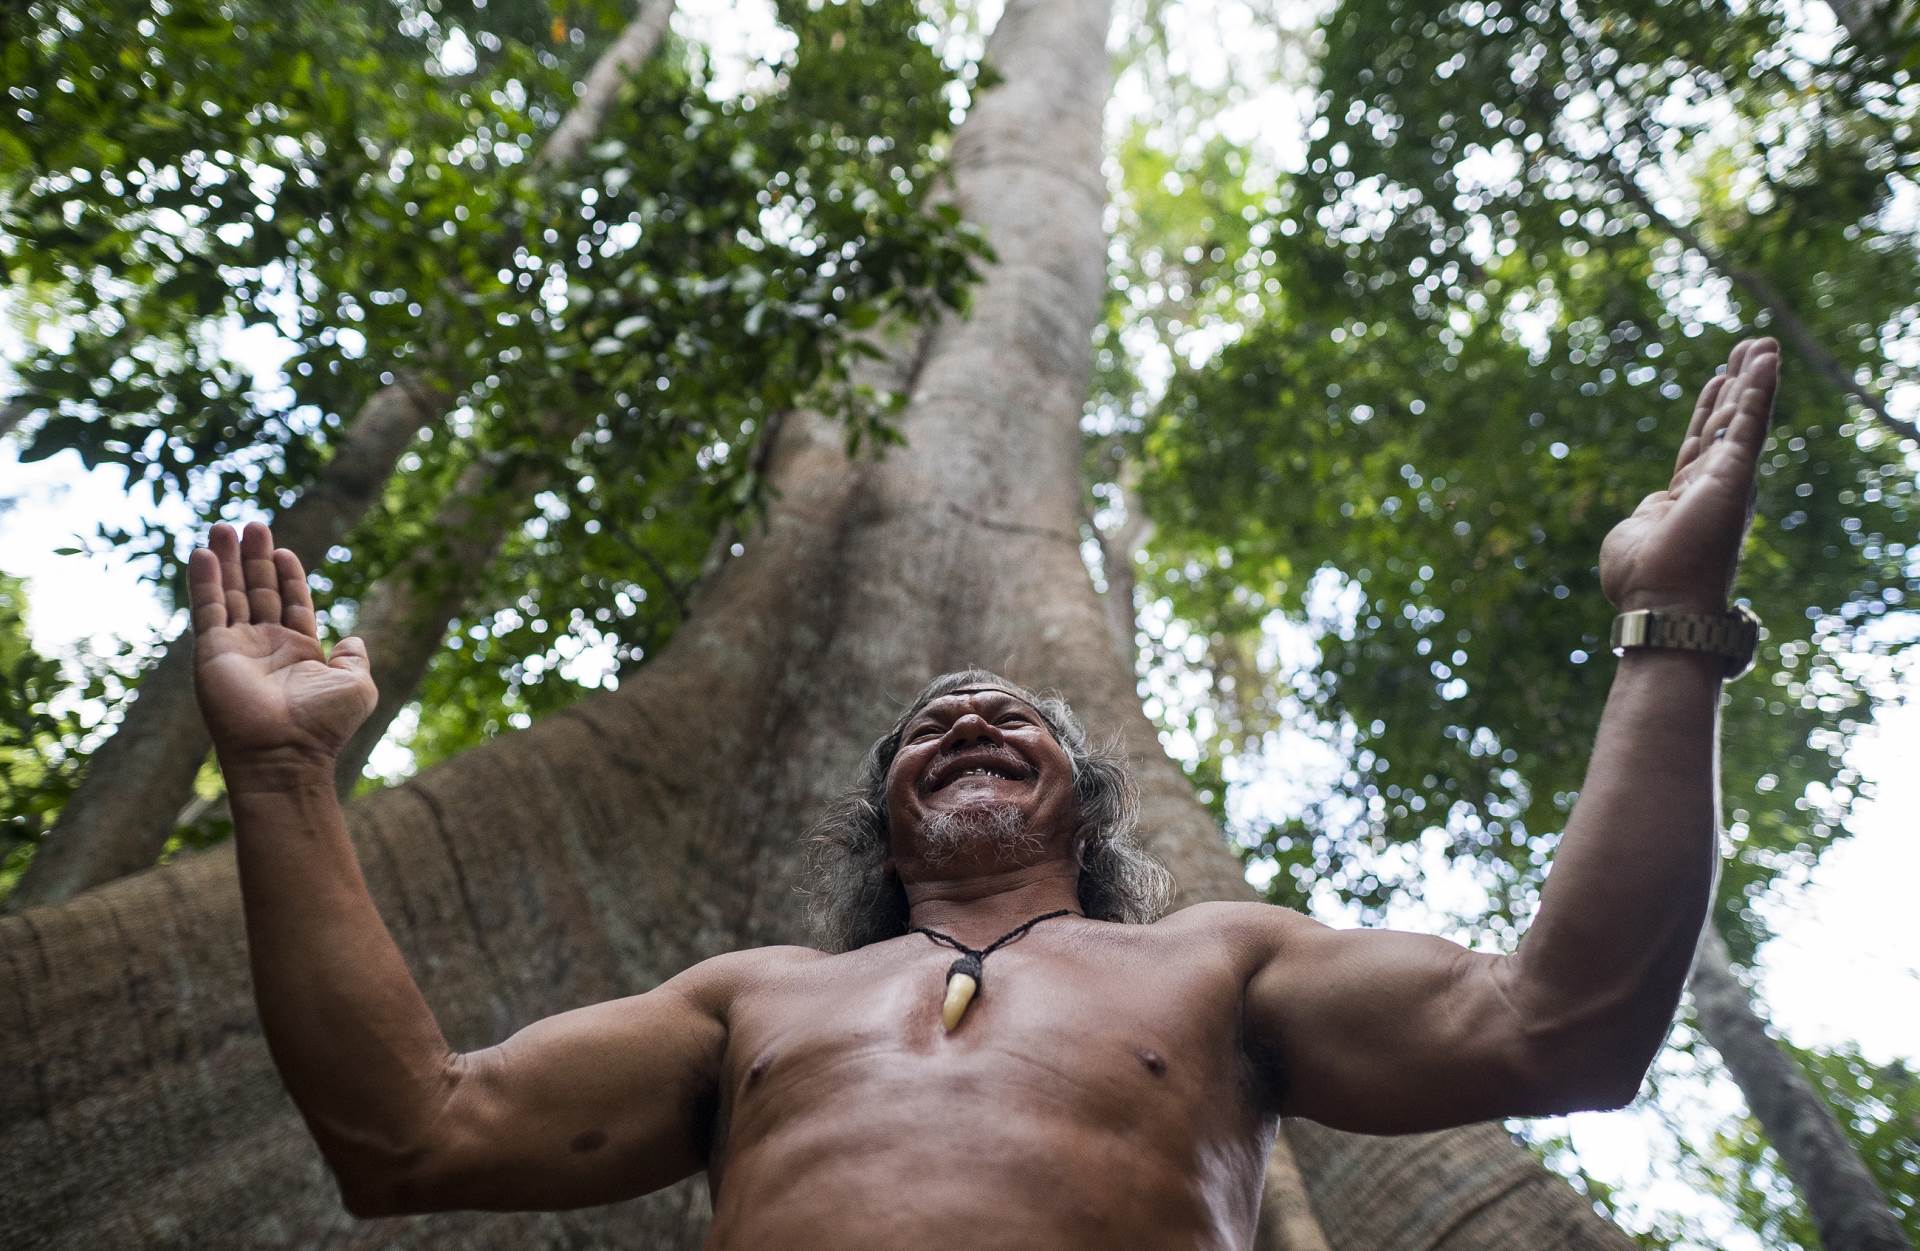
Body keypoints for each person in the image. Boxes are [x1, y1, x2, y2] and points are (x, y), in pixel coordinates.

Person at [190, 340, 1780, 1249]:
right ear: (880, 815)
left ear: (1085, 807)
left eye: (1009, 717)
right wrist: (277, 772)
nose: (958, 711)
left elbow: (1564, 1024)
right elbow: (410, 1133)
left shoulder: (1219, 964)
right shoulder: (753, 1000)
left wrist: (1670, 635)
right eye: (923, 727)